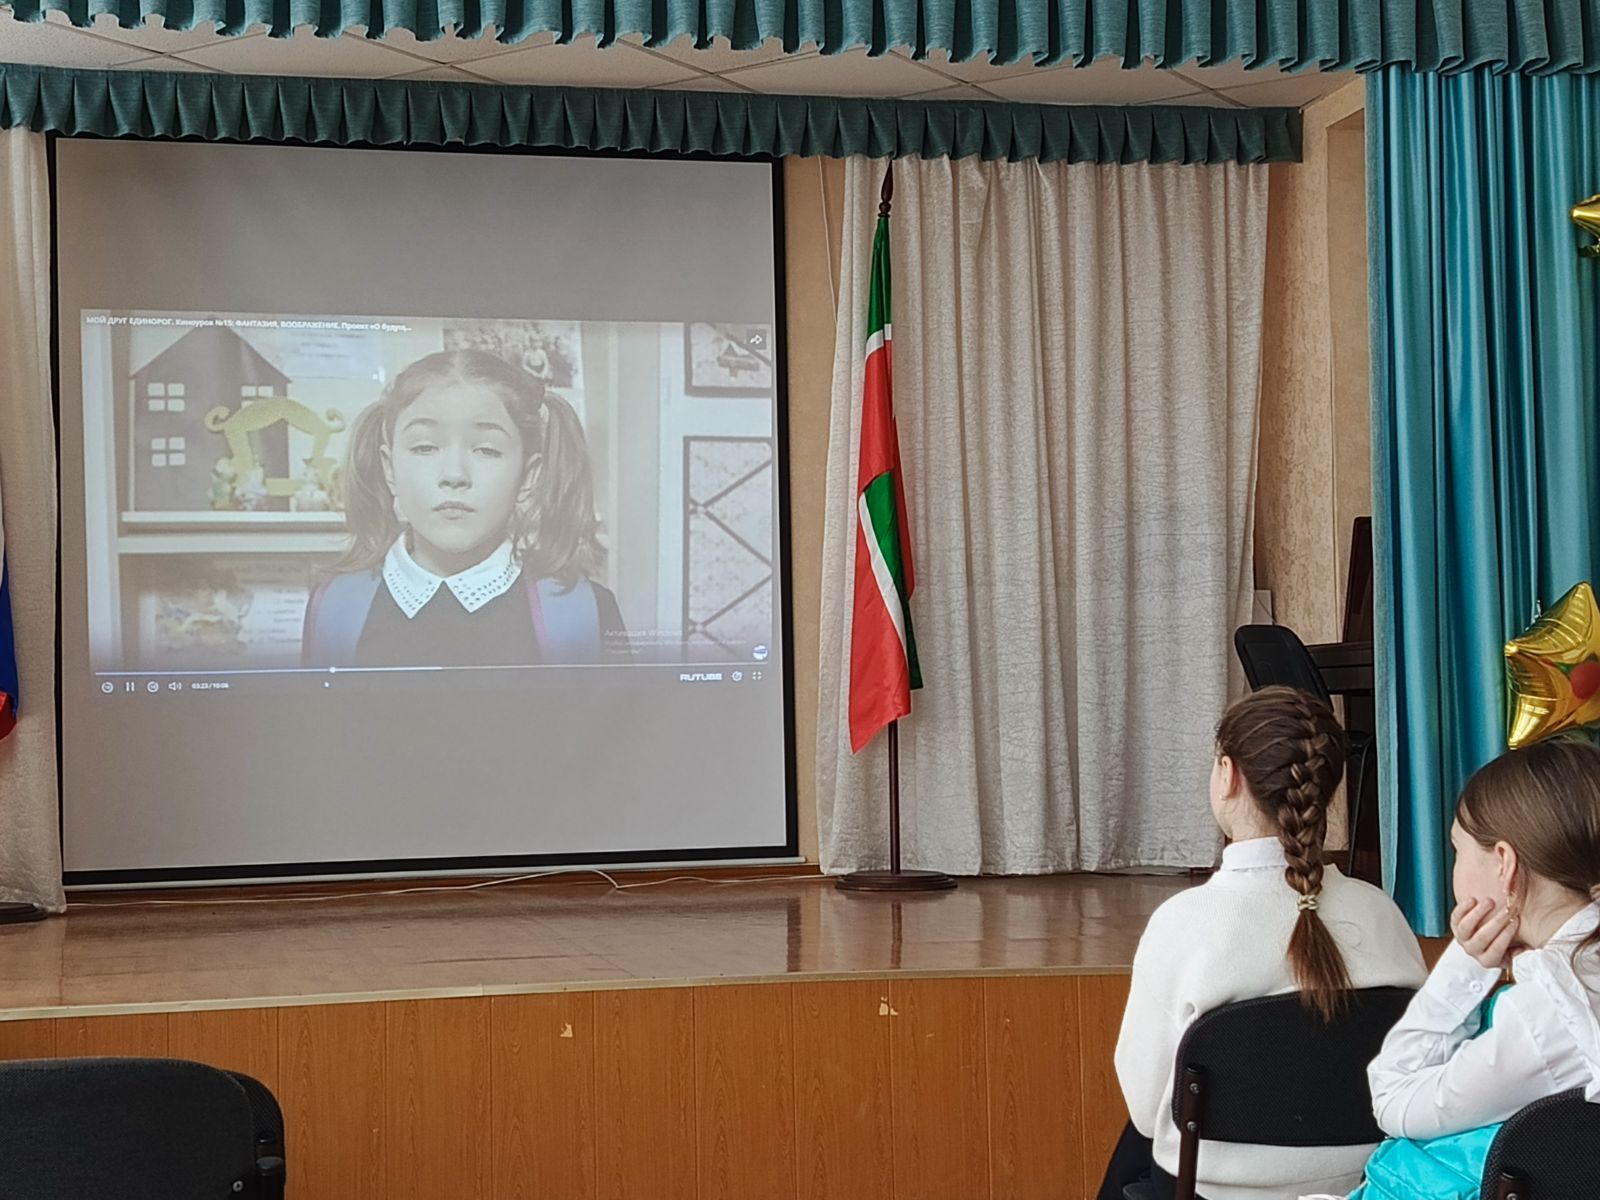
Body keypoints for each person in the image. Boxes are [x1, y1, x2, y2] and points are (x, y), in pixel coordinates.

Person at [1098, 686, 1427, 1200]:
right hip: (1366, 1179)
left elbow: (1146, 1111)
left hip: (1208, 1187)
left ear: (1227, 774)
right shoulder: (1382, 913)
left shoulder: (1183, 923)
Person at [1350, 738, 1600, 1200]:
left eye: (1457, 851)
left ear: (1504, 863)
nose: (1455, 869)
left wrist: (1465, 962)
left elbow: (1393, 1100)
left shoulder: (1549, 1016)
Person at [302, 348, 626, 668]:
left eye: (486, 450)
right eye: (425, 447)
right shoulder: (334, 608)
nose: (454, 475)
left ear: (528, 476)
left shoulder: (584, 613)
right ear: (390, 470)